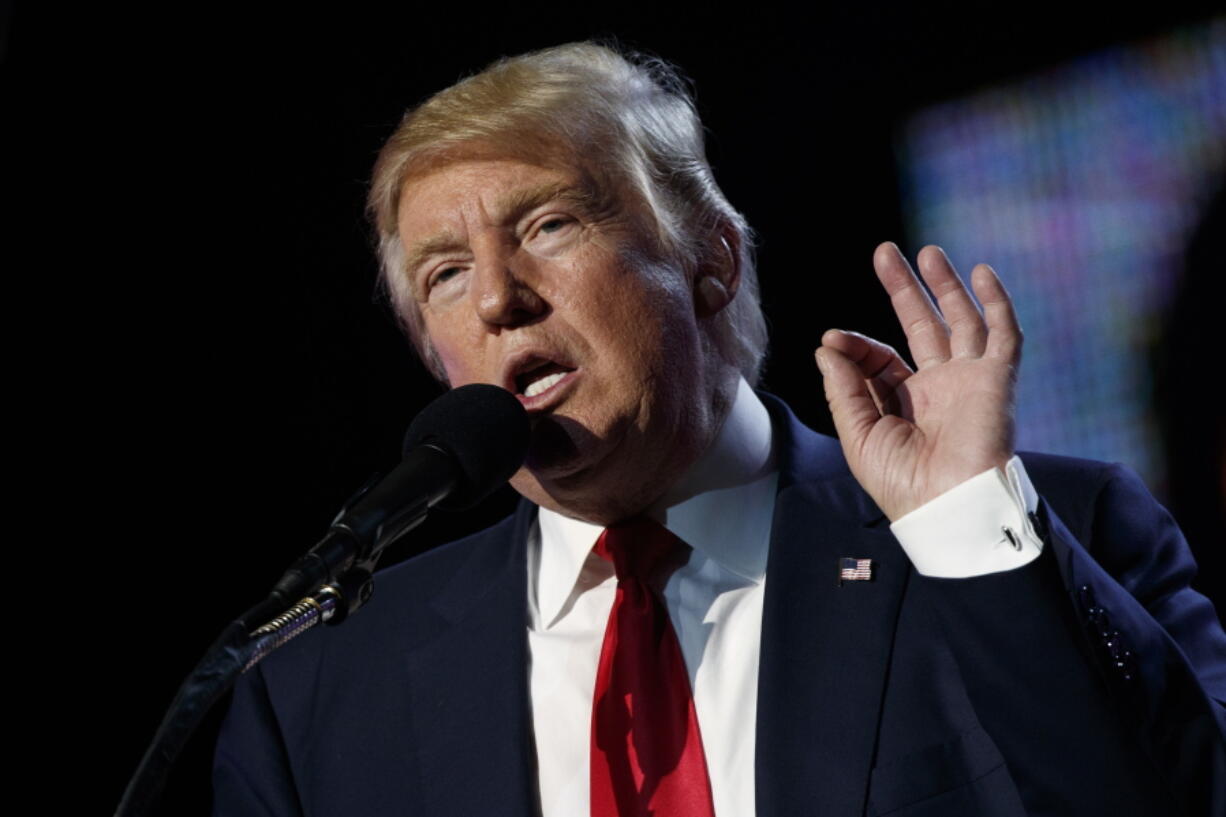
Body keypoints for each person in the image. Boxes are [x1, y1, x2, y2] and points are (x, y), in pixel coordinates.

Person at [213, 42, 1226, 816]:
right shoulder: (314, 695)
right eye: (442, 273)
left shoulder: (1044, 536)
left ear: (709, 259)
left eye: (547, 227)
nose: (494, 300)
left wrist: (964, 528)